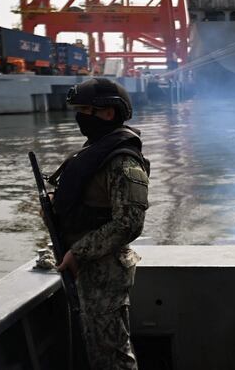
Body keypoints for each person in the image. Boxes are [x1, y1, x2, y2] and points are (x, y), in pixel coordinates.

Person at [49, 78, 150, 370]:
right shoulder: (97, 151)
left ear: (107, 113)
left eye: (85, 110)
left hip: (103, 271)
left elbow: (129, 223)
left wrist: (78, 252)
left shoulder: (122, 161)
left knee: (112, 356)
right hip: (87, 267)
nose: (79, 117)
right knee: (95, 351)